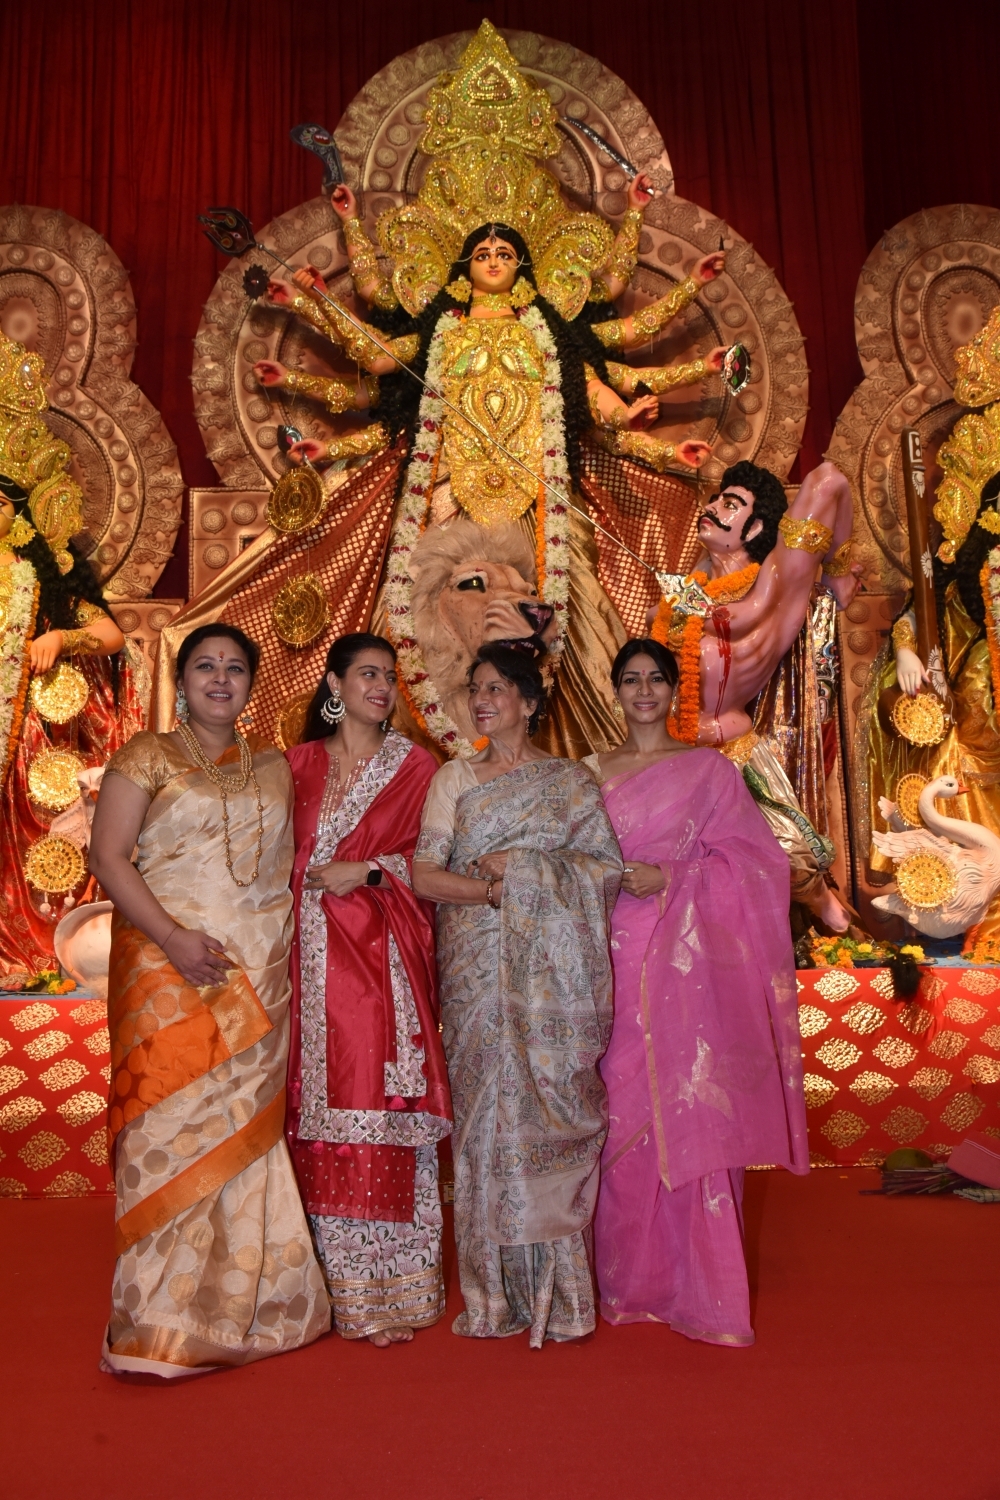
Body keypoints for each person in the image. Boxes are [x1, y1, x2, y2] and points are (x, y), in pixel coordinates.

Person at [88, 623, 329, 1377]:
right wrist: (172, 936)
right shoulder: (146, 756)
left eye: (233, 668)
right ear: (183, 679)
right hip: (165, 969)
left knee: (244, 1135)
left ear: (251, 683)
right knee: (168, 1132)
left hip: (256, 972)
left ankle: (251, 1308)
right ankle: (158, 1319)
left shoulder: (273, 765)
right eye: (204, 667)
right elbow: (108, 856)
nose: (219, 679)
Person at [583, 639, 808, 1346]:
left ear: (671, 689)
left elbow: (758, 863)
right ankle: (626, 1281)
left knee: (689, 1103)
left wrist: (675, 878)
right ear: (614, 691)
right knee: (617, 1112)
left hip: (687, 962)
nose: (643, 691)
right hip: (608, 956)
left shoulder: (708, 770)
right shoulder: (586, 773)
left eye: (655, 679)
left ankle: (698, 1286)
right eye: (631, 681)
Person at [412, 644, 622, 1347]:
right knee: (485, 1118)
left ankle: (559, 1297)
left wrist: (528, 869)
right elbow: (424, 875)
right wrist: (498, 891)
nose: (482, 701)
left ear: (529, 702)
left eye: (497, 689)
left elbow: (605, 871)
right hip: (477, 970)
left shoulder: (571, 783)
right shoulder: (453, 780)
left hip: (550, 983)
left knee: (544, 1110)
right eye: (475, 689)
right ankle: (495, 1295)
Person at [284, 632, 452, 1345]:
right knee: (309, 1117)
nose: (381, 686)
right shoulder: (292, 766)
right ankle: (327, 1289)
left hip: (380, 970)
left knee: (378, 1108)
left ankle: (394, 1288)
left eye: (389, 676)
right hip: (300, 966)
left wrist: (373, 870)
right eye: (367, 674)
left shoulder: (418, 768)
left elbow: (441, 860)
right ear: (334, 683)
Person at [651, 457, 861, 931]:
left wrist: (836, 572)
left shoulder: (770, 588)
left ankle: (820, 902)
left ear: (757, 526)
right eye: (714, 498)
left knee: (788, 858)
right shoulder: (691, 588)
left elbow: (829, 479)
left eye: (730, 503)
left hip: (733, 755)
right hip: (670, 756)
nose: (711, 508)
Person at [0, 329, 144, 988]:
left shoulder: (47, 573)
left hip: (24, 731)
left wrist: (62, 638)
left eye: (0, 498)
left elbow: (112, 636)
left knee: (31, 836)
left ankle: (30, 950)